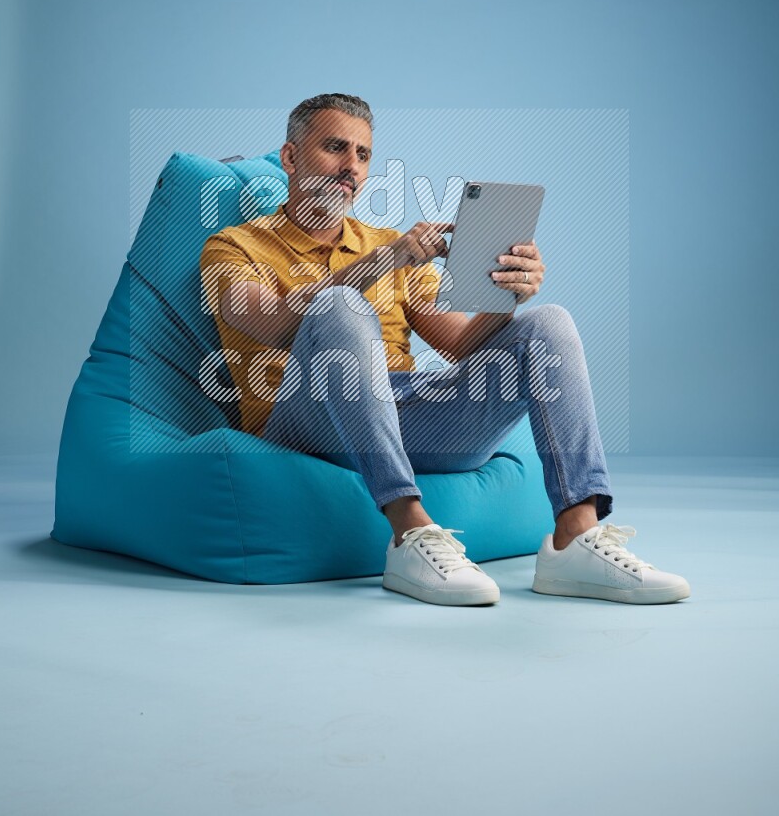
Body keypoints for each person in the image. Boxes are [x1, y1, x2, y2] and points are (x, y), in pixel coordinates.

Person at [200, 93, 690, 608]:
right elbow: (276, 325)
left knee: (548, 323)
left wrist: (508, 297)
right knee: (341, 305)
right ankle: (409, 533)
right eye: (334, 148)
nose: (351, 167)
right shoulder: (231, 247)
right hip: (303, 420)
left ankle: (576, 537)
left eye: (363, 155)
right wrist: (381, 263)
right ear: (291, 157)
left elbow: (459, 345)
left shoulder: (387, 242)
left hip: (405, 414)